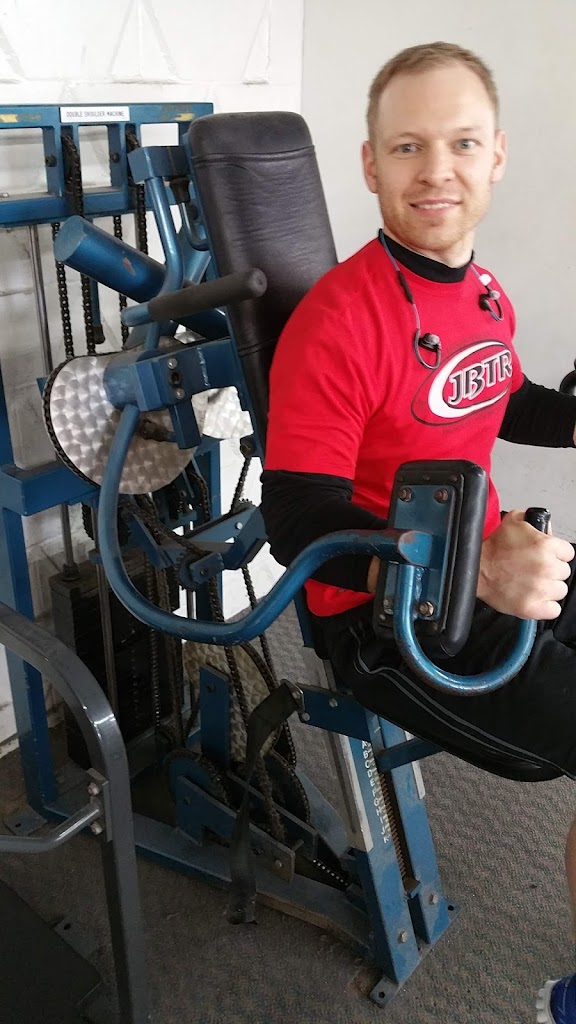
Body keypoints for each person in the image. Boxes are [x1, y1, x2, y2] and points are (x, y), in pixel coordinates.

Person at [260, 41, 576, 1024]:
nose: (436, 169)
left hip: (483, 567)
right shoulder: (336, 322)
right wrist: (470, 567)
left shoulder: (483, 293)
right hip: (385, 621)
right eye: (407, 146)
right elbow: (296, 519)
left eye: (461, 143)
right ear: (371, 164)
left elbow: (498, 394)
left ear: (497, 156)